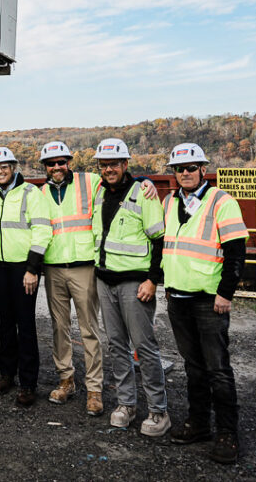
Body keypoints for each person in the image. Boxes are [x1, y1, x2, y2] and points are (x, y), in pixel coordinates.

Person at [162, 143, 249, 464]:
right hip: (178, 297)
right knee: (193, 367)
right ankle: (199, 424)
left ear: (203, 169)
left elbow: (236, 252)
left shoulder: (222, 202)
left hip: (209, 300)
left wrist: (226, 293)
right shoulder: (169, 201)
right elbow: (167, 245)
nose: (184, 173)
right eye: (178, 169)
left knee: (218, 370)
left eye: (190, 167)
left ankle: (228, 434)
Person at [91, 138, 170, 436]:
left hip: (135, 284)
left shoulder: (144, 194)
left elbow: (159, 240)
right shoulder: (99, 192)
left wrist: (152, 280)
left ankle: (158, 411)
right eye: (104, 165)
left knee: (145, 348)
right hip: (105, 280)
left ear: (126, 165)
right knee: (116, 346)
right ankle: (126, 404)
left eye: (114, 164)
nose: (109, 169)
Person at [37, 141, 104, 416]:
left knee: (89, 329)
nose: (57, 167)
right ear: (45, 167)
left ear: (69, 162)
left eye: (61, 162)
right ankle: (66, 380)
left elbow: (121, 183)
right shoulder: (40, 193)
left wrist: (145, 181)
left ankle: (95, 389)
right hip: (53, 267)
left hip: (84, 266)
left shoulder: (90, 182)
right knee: (59, 327)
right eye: (51, 164)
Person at [0, 146, 52, 406]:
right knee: (5, 322)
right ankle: (6, 373)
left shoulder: (30, 193)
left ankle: (29, 383)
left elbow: (42, 231)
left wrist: (33, 269)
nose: (0, 171)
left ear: (13, 168)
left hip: (24, 268)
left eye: (4, 167)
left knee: (26, 325)